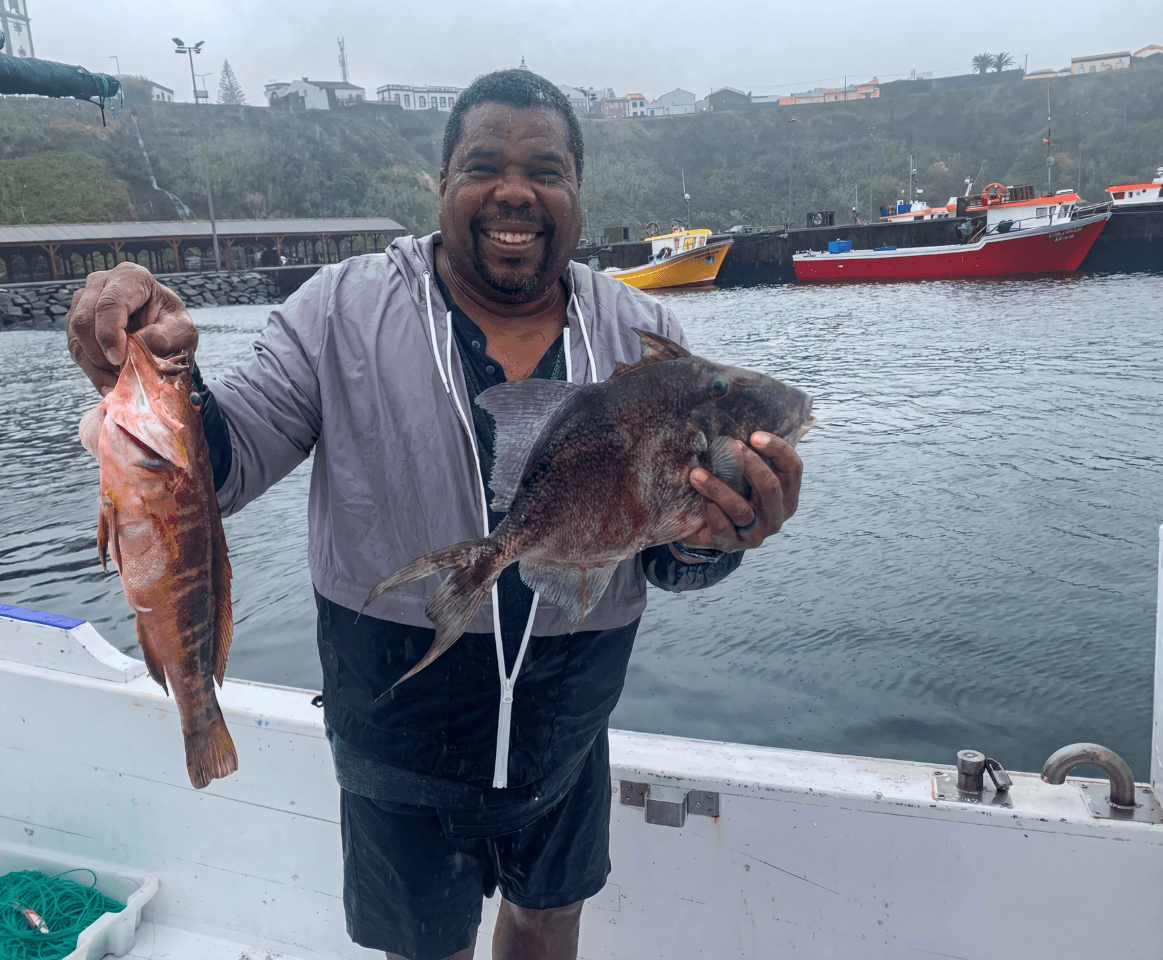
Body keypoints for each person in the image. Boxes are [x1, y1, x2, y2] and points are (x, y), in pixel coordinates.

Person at [66, 69, 802, 960]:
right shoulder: (337, 312)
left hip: (568, 731)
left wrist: (724, 536)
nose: (515, 192)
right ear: (441, 182)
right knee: (424, 948)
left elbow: (662, 551)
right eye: (484, 166)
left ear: (577, 190)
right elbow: (224, 464)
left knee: (549, 920)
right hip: (395, 732)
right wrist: (158, 379)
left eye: (547, 170)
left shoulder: (645, 342)